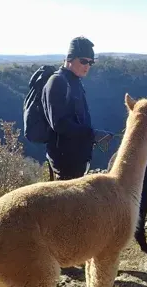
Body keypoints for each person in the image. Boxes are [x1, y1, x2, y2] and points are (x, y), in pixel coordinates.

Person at [41, 36, 113, 180]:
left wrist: (93, 136)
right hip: (65, 163)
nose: (87, 66)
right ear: (70, 58)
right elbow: (59, 124)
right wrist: (92, 134)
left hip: (75, 161)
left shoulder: (74, 81)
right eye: (83, 61)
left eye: (90, 62)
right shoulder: (57, 82)